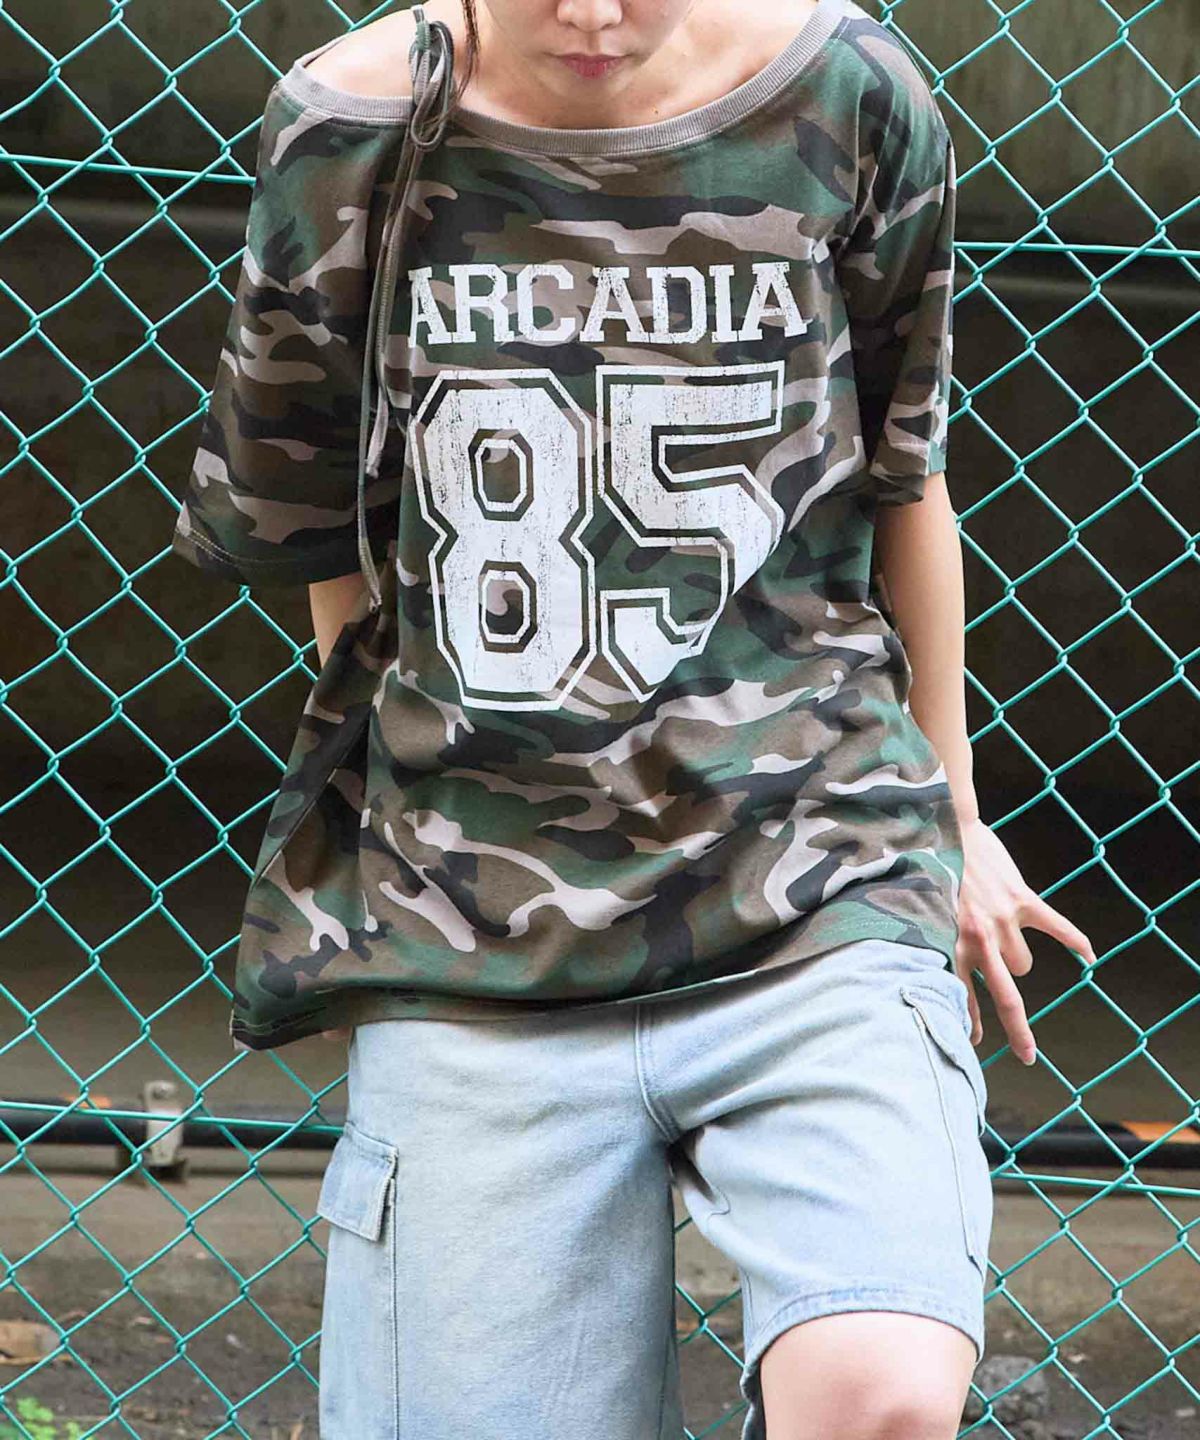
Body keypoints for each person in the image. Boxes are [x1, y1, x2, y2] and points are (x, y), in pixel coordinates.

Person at [170, 1, 1097, 1435]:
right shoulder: (347, 129)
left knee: (884, 1389)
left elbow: (904, 473)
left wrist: (957, 814)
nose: (593, 15)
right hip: (481, 927)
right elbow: (317, 529)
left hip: (811, 862)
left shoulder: (849, 94)